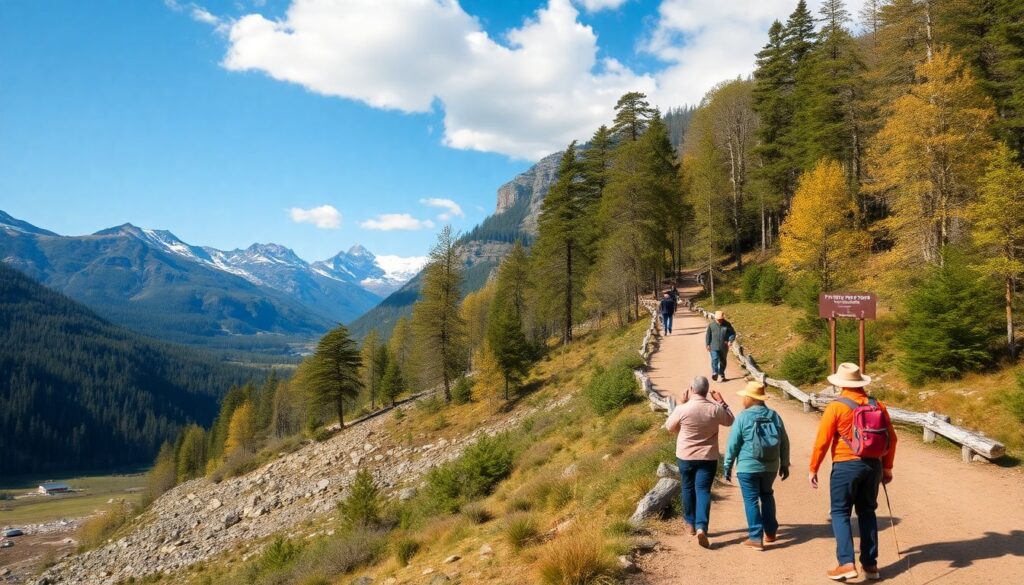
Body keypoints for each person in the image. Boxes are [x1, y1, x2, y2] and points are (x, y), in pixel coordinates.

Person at [809, 363, 898, 581]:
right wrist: (887, 467)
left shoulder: (836, 407)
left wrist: (813, 468)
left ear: (840, 384)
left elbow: (822, 441)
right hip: (873, 465)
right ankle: (870, 566)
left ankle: (846, 563)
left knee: (840, 513)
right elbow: (892, 439)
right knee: (867, 512)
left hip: (845, 466)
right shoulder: (878, 405)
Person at [665, 376, 735, 548]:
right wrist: (722, 402)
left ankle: (690, 524)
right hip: (707, 457)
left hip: (685, 456)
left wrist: (681, 403)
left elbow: (669, 427)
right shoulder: (715, 409)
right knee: (703, 490)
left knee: (687, 488)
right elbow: (730, 420)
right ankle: (701, 527)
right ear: (706, 390)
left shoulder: (683, 409)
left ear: (692, 389)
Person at [723, 381, 790, 551]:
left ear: (750, 398)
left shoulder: (743, 417)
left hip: (748, 467)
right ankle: (770, 532)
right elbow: (784, 442)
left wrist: (727, 465)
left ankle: (755, 537)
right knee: (767, 495)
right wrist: (785, 463)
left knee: (751, 500)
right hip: (771, 467)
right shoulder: (774, 415)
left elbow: (733, 444)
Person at [705, 310, 736, 381]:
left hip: (724, 346)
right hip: (713, 345)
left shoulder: (727, 324)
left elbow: (732, 333)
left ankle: (721, 374)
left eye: (721, 319)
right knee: (714, 359)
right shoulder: (711, 325)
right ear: (715, 318)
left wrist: (730, 340)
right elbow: (708, 335)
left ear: (723, 318)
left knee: (723, 361)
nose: (719, 321)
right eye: (718, 319)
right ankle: (715, 372)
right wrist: (707, 344)